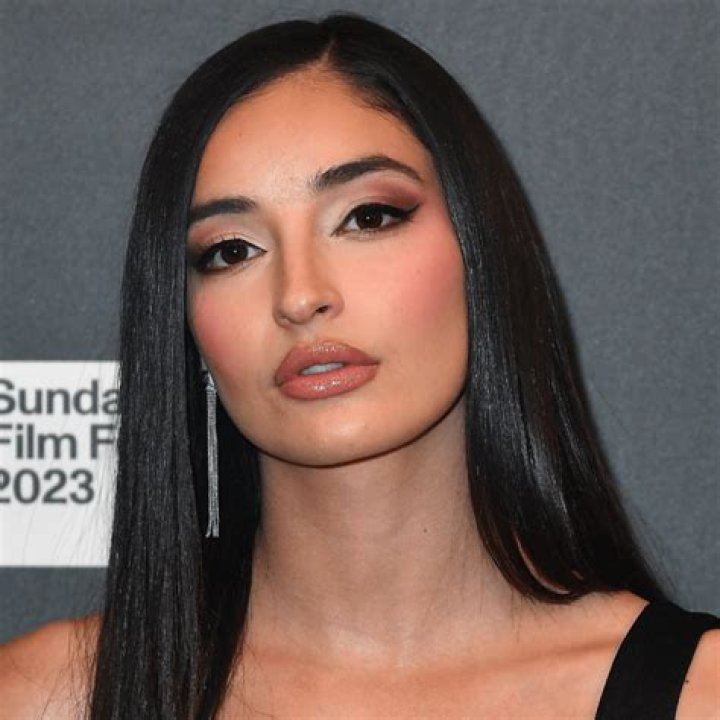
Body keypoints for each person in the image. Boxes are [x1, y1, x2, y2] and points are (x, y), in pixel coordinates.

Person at [1, 12, 717, 720]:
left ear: (480, 253)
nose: (300, 296)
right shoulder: (42, 700)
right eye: (231, 250)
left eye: (368, 217)